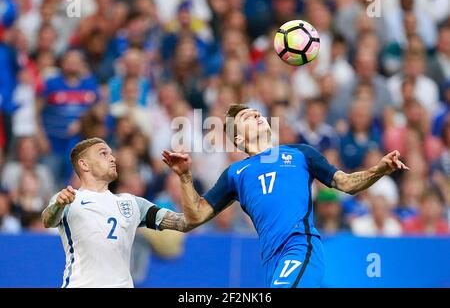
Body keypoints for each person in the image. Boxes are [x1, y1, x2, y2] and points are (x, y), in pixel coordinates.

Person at [162, 104, 409, 288]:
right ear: (238, 139)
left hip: (301, 246)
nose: (258, 115)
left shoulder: (301, 153)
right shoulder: (236, 174)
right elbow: (195, 217)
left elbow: (345, 183)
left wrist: (379, 170)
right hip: (271, 260)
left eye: (258, 113)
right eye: (248, 117)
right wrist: (184, 176)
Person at [40, 137, 192, 288]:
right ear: (84, 164)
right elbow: (48, 220)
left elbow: (185, 222)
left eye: (111, 154)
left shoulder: (132, 203)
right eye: (103, 153)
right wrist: (58, 206)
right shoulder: (69, 198)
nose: (112, 158)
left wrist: (185, 177)